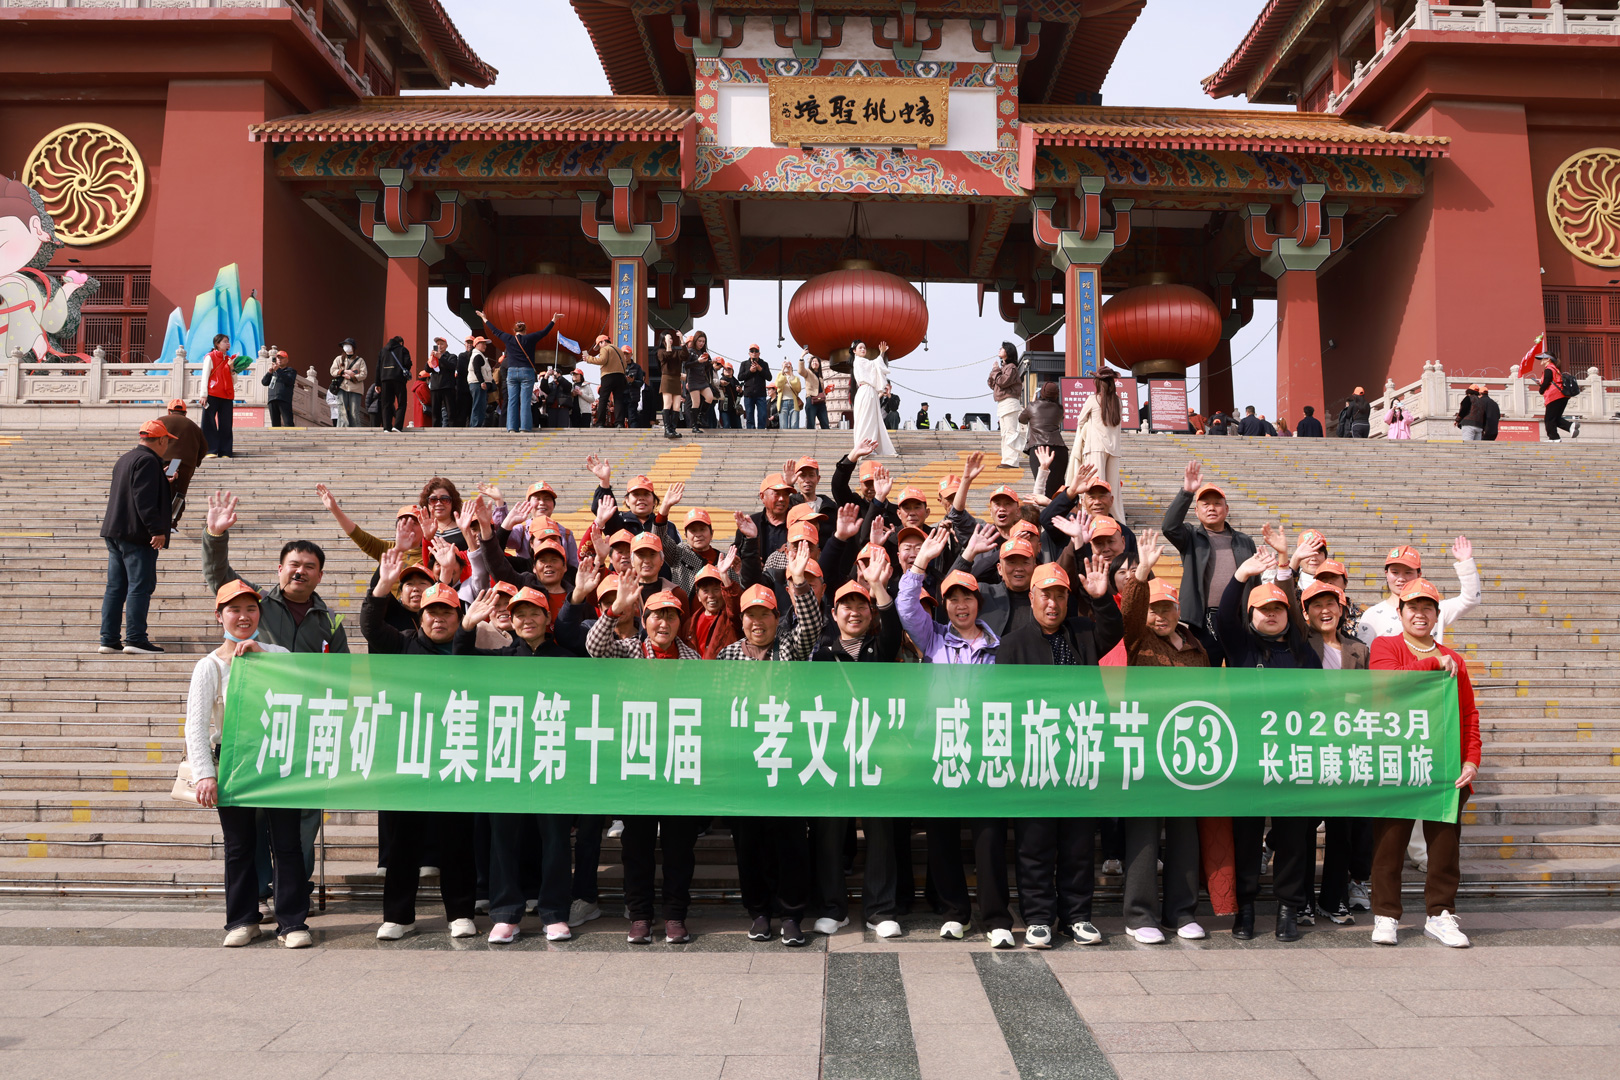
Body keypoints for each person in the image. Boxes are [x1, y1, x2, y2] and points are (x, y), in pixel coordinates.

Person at [996, 559, 1122, 949]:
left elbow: (1114, 630)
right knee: (1034, 843)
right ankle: (1037, 917)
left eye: (1060, 595)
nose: (1052, 603)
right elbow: (1003, 704)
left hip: (1080, 752)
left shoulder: (1083, 632)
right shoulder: (1013, 644)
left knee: (1079, 842)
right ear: (1031, 597)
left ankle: (1077, 916)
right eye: (1045, 594)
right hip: (1034, 755)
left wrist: (1101, 599)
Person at [897, 531, 1015, 944]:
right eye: (952, 600)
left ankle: (997, 918)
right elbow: (906, 607)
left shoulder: (1000, 649)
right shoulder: (933, 640)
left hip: (987, 750)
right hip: (941, 748)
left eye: (966, 598)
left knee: (988, 837)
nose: (960, 605)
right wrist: (919, 564)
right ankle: (954, 912)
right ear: (945, 607)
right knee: (942, 834)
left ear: (977, 603)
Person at [360, 556, 478, 941]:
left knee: (456, 840)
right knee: (403, 842)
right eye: (431, 612)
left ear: (457, 616)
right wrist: (382, 588)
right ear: (421, 616)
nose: (438, 619)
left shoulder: (474, 652)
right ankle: (399, 915)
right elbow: (371, 627)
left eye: (446, 611)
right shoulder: (403, 644)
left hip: (455, 756)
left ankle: (460, 912)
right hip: (408, 756)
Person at [186, 580, 309, 948]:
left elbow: (303, 685)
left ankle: (292, 923)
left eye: (251, 609)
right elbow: (196, 725)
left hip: (277, 760)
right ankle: (242, 919)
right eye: (234, 610)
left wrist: (263, 658)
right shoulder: (209, 667)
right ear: (219, 615)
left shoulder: (277, 653)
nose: (243, 617)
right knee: (239, 844)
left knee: (287, 844)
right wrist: (206, 773)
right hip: (234, 763)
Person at [453, 587, 576, 944]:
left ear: (548, 619)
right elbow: (460, 660)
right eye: (519, 614)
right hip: (506, 761)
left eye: (534, 613)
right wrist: (466, 626)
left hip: (553, 762)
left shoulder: (569, 660)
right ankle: (506, 914)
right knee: (503, 840)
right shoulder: (500, 657)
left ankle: (554, 913)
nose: (526, 619)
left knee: (554, 840)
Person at [716, 546, 822, 945]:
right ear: (741, 620)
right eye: (751, 615)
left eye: (765, 614)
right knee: (749, 844)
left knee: (790, 842)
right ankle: (759, 912)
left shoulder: (789, 650)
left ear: (778, 619)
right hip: (744, 766)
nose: (757, 622)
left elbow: (810, 627)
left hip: (786, 762)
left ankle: (792, 914)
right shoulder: (727, 656)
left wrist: (797, 583)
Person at [1368, 578, 1482, 948]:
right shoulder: (1386, 646)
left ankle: (1439, 914)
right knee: (1390, 844)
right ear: (1399, 612)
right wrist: (1434, 663)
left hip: (1443, 765)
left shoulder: (1456, 660)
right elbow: (1387, 683)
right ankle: (1386, 915)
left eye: (1428, 608)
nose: (1420, 614)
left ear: (1436, 615)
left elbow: (1468, 715)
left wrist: (1471, 759)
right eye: (1412, 607)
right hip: (1396, 761)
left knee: (1445, 846)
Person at [586, 588, 704, 944]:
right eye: (656, 615)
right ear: (644, 620)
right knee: (636, 847)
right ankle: (639, 916)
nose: (663, 622)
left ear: (680, 622)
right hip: (636, 762)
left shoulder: (693, 659)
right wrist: (613, 612)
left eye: (671, 616)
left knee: (679, 848)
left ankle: (675, 916)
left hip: (679, 763)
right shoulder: (626, 650)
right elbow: (594, 649)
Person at [1217, 545, 1320, 942]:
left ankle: (1288, 910)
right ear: (1252, 615)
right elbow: (1225, 615)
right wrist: (1241, 577)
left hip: (1292, 754)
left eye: (1277, 609)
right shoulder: (1242, 647)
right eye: (1263, 610)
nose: (1272, 615)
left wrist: (1282, 570)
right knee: (1245, 834)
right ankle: (1244, 910)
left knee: (1294, 835)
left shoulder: (1302, 651)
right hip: (1247, 756)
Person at [809, 551, 906, 940]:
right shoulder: (820, 654)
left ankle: (880, 910)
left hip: (875, 753)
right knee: (830, 832)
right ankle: (833, 908)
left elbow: (895, 631)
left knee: (881, 833)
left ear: (870, 612)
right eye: (845, 606)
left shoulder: (879, 649)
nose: (853, 612)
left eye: (860, 605)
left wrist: (879, 587)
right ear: (834, 614)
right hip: (831, 754)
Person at [1119, 533, 1210, 943]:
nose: (1159, 615)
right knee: (1143, 833)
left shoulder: (1195, 648)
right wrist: (1140, 573)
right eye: (1153, 609)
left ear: (1178, 610)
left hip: (1186, 751)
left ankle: (1182, 911)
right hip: (1145, 748)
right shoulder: (1137, 642)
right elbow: (1131, 612)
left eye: (1166, 608)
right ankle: (1139, 916)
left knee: (1184, 833)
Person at [1296, 577, 1371, 925]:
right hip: (1308, 746)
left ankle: (1334, 898)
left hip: (1347, 747)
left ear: (1342, 610)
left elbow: (1366, 698)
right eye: (1316, 605)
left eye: (1331, 605)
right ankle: (1302, 899)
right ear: (1306, 612)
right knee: (1306, 824)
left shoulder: (1358, 650)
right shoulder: (1298, 644)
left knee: (1342, 827)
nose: (1324, 611)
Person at [99, 419, 172, 654]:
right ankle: (135, 639)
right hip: (136, 534)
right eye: (167, 442)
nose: (167, 446)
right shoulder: (148, 461)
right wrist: (157, 531)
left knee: (115, 588)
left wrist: (161, 480)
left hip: (115, 531)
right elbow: (144, 500)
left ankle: (109, 640)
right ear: (161, 439)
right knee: (140, 586)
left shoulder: (127, 458)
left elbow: (134, 491)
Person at [1160, 460, 1257, 638]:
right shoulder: (1190, 537)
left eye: (1217, 503)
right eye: (1205, 504)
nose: (1211, 508)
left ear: (1226, 509)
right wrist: (1187, 492)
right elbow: (1169, 527)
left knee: (1241, 665)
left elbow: (1254, 580)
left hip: (1239, 618)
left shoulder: (1245, 541)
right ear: (1197, 511)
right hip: (1203, 620)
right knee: (1205, 665)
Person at [1354, 538, 1479, 644]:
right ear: (1386, 574)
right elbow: (1364, 657)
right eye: (1395, 572)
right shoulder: (1373, 615)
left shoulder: (1434, 610)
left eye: (1408, 572)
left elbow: (1471, 599)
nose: (1401, 579)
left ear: (1419, 574)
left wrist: (1465, 563)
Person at [477, 309, 558, 433]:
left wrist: (484, 318)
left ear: (514, 331)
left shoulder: (508, 338)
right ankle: (525, 427)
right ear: (525, 330)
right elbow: (544, 332)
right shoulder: (530, 338)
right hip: (527, 371)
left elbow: (495, 331)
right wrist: (553, 320)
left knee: (512, 401)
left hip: (512, 372)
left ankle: (511, 428)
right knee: (525, 401)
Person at [1066, 370, 1125, 521]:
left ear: (1098, 383)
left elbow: (1080, 421)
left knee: (1094, 487)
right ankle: (1117, 520)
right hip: (1114, 449)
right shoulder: (1118, 401)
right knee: (1112, 490)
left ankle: (1092, 519)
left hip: (1096, 446)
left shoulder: (1093, 399)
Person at [157, 399, 205, 530]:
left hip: (166, 462)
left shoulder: (160, 421)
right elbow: (204, 447)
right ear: (185, 412)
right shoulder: (194, 426)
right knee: (179, 494)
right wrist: (195, 462)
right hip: (185, 464)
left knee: (165, 491)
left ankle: (163, 522)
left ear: (169, 411)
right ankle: (171, 523)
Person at [1020, 381, 1067, 498]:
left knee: (1042, 485)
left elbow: (1021, 419)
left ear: (1042, 393)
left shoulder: (1033, 406)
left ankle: (1046, 514)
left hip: (1039, 449)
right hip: (1060, 449)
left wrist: (1034, 401)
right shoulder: (1059, 409)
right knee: (1058, 488)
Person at [851, 340, 897, 457]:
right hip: (866, 391)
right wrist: (881, 353)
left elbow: (875, 364)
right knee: (867, 420)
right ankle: (866, 448)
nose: (863, 350)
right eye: (860, 348)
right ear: (854, 351)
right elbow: (876, 364)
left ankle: (868, 447)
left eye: (864, 348)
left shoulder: (863, 361)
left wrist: (881, 353)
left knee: (870, 420)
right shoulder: (860, 361)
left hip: (868, 392)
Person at [581, 334, 630, 428]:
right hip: (620, 376)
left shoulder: (605, 349)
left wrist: (589, 359)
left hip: (608, 376)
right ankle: (619, 423)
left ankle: (600, 423)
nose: (599, 347)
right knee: (618, 400)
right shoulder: (619, 350)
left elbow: (602, 360)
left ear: (602, 342)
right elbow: (625, 364)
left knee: (603, 399)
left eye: (599, 344)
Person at [201, 333, 237, 457]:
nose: (228, 344)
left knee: (226, 424)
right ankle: (210, 450)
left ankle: (225, 451)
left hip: (227, 395)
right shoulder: (210, 357)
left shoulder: (229, 360)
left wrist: (232, 368)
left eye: (228, 341)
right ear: (217, 344)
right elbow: (205, 376)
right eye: (225, 341)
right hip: (212, 394)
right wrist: (203, 395)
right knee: (209, 423)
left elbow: (234, 381)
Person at [989, 342, 1024, 468]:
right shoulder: (1004, 367)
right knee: (1004, 433)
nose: (1000, 349)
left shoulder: (1011, 368)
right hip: (1003, 402)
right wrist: (995, 370)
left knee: (1010, 432)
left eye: (1002, 348)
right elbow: (992, 384)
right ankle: (1007, 459)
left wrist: (996, 370)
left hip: (1009, 401)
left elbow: (1002, 382)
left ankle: (1021, 454)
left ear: (1008, 351)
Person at [1538, 353, 1580, 440]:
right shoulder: (1555, 369)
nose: (1541, 360)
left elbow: (1546, 382)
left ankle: (1554, 438)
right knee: (1555, 418)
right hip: (1562, 396)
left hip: (1554, 396)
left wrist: (1541, 390)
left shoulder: (1549, 369)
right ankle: (1570, 426)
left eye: (1543, 358)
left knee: (1549, 419)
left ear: (1548, 359)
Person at [682, 331, 717, 432]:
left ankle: (700, 416)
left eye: (703, 341)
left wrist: (710, 363)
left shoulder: (703, 353)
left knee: (709, 397)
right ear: (695, 341)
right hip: (693, 380)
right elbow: (686, 365)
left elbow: (705, 368)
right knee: (695, 403)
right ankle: (694, 425)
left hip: (702, 380)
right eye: (699, 341)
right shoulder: (690, 351)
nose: (701, 343)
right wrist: (698, 361)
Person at [377, 335, 412, 433]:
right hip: (398, 379)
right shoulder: (403, 350)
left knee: (386, 404)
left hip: (385, 380)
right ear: (400, 342)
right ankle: (397, 426)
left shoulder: (383, 351)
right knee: (401, 403)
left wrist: (377, 383)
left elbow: (378, 368)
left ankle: (386, 427)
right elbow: (407, 363)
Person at [330, 338, 367, 427]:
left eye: (348, 345)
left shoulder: (360, 360)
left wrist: (351, 376)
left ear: (353, 347)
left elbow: (364, 374)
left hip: (356, 389)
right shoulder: (339, 359)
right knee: (342, 410)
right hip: (342, 387)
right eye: (344, 345)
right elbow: (332, 371)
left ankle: (356, 431)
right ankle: (342, 430)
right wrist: (343, 372)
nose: (346, 347)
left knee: (354, 412)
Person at [465, 337, 495, 428]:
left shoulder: (478, 355)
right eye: (483, 343)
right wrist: (482, 382)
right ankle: (475, 425)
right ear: (477, 344)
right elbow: (477, 370)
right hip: (478, 384)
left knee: (480, 406)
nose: (485, 346)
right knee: (478, 405)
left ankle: (477, 424)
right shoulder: (477, 355)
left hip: (478, 384)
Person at [740, 344, 772, 429]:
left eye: (756, 351)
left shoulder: (764, 364)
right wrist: (750, 371)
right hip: (748, 394)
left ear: (759, 353)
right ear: (749, 353)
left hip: (760, 394)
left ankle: (761, 431)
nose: (754, 353)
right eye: (752, 351)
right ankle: (751, 432)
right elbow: (740, 377)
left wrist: (760, 369)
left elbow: (769, 377)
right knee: (749, 415)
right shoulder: (744, 364)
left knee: (762, 415)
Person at [802, 354, 829, 429]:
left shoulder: (820, 376)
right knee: (810, 423)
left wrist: (826, 391)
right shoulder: (808, 373)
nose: (815, 363)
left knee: (825, 423)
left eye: (816, 361)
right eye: (813, 361)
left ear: (819, 364)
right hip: (811, 399)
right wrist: (802, 357)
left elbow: (820, 389)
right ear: (810, 364)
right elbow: (801, 371)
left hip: (821, 401)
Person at [775, 360, 802, 429]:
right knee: (783, 426)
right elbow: (778, 384)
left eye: (788, 366)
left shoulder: (796, 378)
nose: (787, 367)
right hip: (783, 402)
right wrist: (783, 371)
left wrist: (791, 374)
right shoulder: (780, 375)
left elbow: (798, 389)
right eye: (785, 366)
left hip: (794, 402)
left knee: (794, 425)